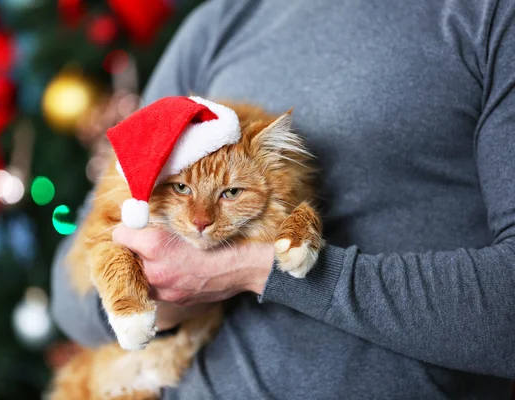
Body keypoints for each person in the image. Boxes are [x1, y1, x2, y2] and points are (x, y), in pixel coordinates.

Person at [51, 0, 515, 398]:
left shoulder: (489, 15)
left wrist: (258, 271)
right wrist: (154, 299)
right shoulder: (222, 20)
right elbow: (67, 295)